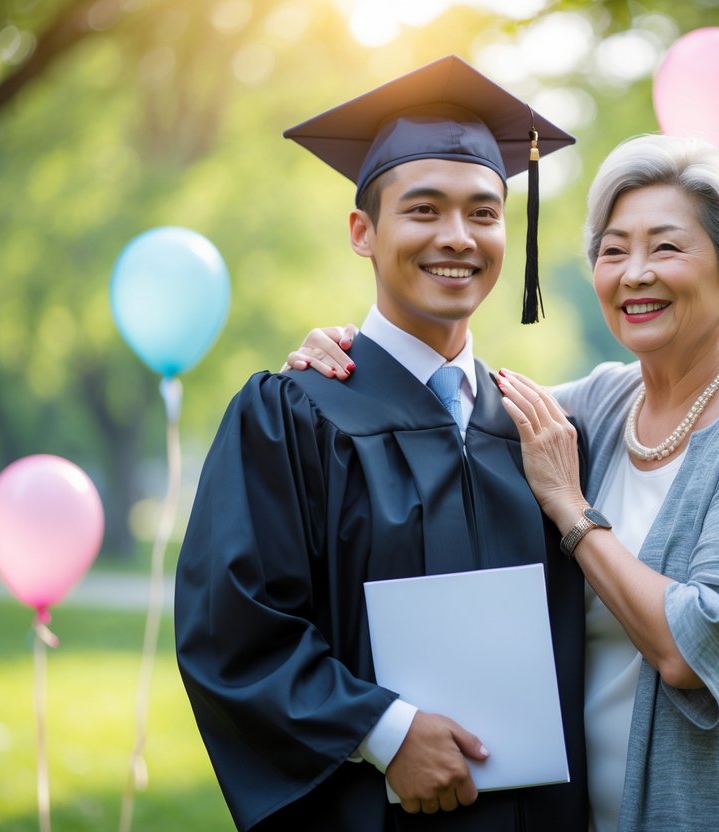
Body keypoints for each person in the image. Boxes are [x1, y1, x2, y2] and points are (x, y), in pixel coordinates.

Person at [288, 134, 719, 831]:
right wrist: (350, 356)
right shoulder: (602, 404)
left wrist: (569, 509)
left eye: (665, 248)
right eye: (613, 250)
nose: (634, 273)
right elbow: (452, 400)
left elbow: (691, 648)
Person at [175, 56, 588, 832]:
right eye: (424, 210)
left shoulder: (540, 429)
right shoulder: (291, 415)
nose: (457, 238)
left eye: (484, 212)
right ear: (363, 231)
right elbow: (233, 630)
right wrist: (383, 733)